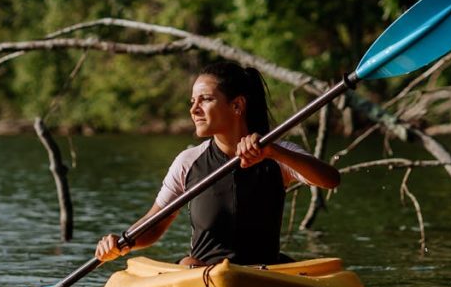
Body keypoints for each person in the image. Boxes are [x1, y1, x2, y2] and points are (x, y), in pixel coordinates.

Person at [94, 61, 340, 267]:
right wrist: (124, 242)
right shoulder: (188, 162)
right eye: (192, 101)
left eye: (206, 100)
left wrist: (273, 152)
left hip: (264, 275)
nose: (194, 109)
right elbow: (155, 223)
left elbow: (330, 179)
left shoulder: (278, 154)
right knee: (187, 264)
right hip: (203, 280)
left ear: (237, 105)